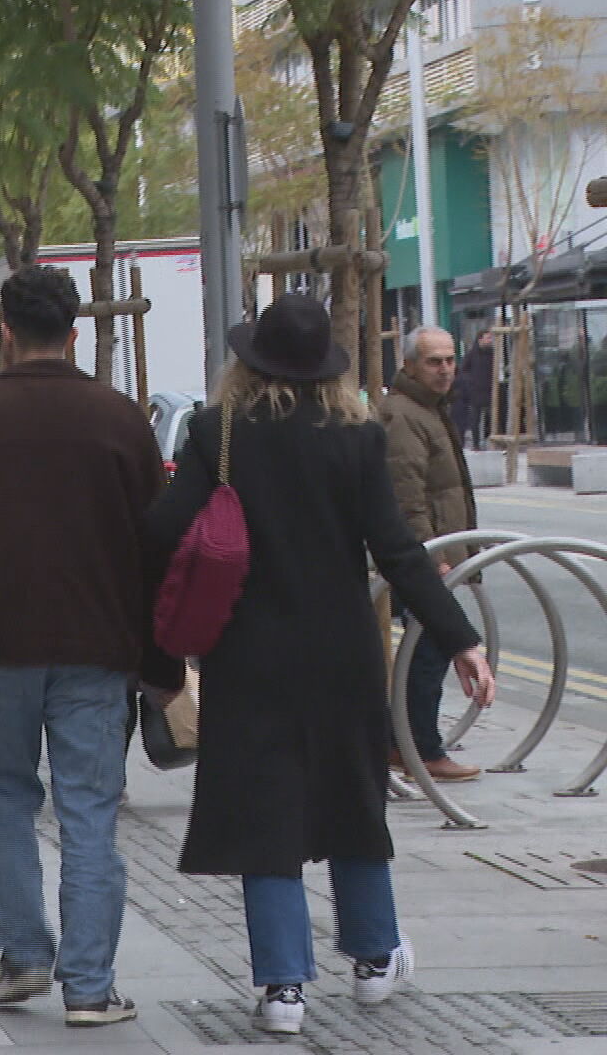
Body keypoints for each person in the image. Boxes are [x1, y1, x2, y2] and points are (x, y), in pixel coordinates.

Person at [145, 295, 495, 1036]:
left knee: (266, 814)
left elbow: (164, 531)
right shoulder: (357, 437)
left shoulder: (219, 432)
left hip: (246, 654)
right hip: (341, 651)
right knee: (352, 799)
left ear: (247, 362)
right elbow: (400, 551)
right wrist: (460, 637)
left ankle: (282, 991)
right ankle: (373, 961)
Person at [0, 264, 163, 1029]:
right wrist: (154, 654)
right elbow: (156, 542)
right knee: (88, 811)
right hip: (97, 646)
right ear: (75, 331)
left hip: (1, 644)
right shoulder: (118, 419)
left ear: (5, 333)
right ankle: (89, 985)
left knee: (7, 800)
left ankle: (23, 957)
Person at [380, 325, 483, 783]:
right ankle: (417, 747)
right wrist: (432, 557)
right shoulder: (404, 415)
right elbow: (407, 496)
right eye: (433, 361)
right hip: (421, 557)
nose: (444, 370)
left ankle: (405, 743)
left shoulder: (427, 410)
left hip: (434, 552)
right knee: (434, 644)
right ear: (408, 366)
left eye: (449, 360)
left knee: (430, 646)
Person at [452, 328, 495, 450]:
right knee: (475, 419)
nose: (490, 341)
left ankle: (491, 441)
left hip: (489, 390)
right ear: (480, 339)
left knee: (492, 417)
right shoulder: (472, 354)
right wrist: (470, 382)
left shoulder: (492, 353)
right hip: (475, 391)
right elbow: (463, 370)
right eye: (488, 338)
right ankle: (476, 444)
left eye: (490, 338)